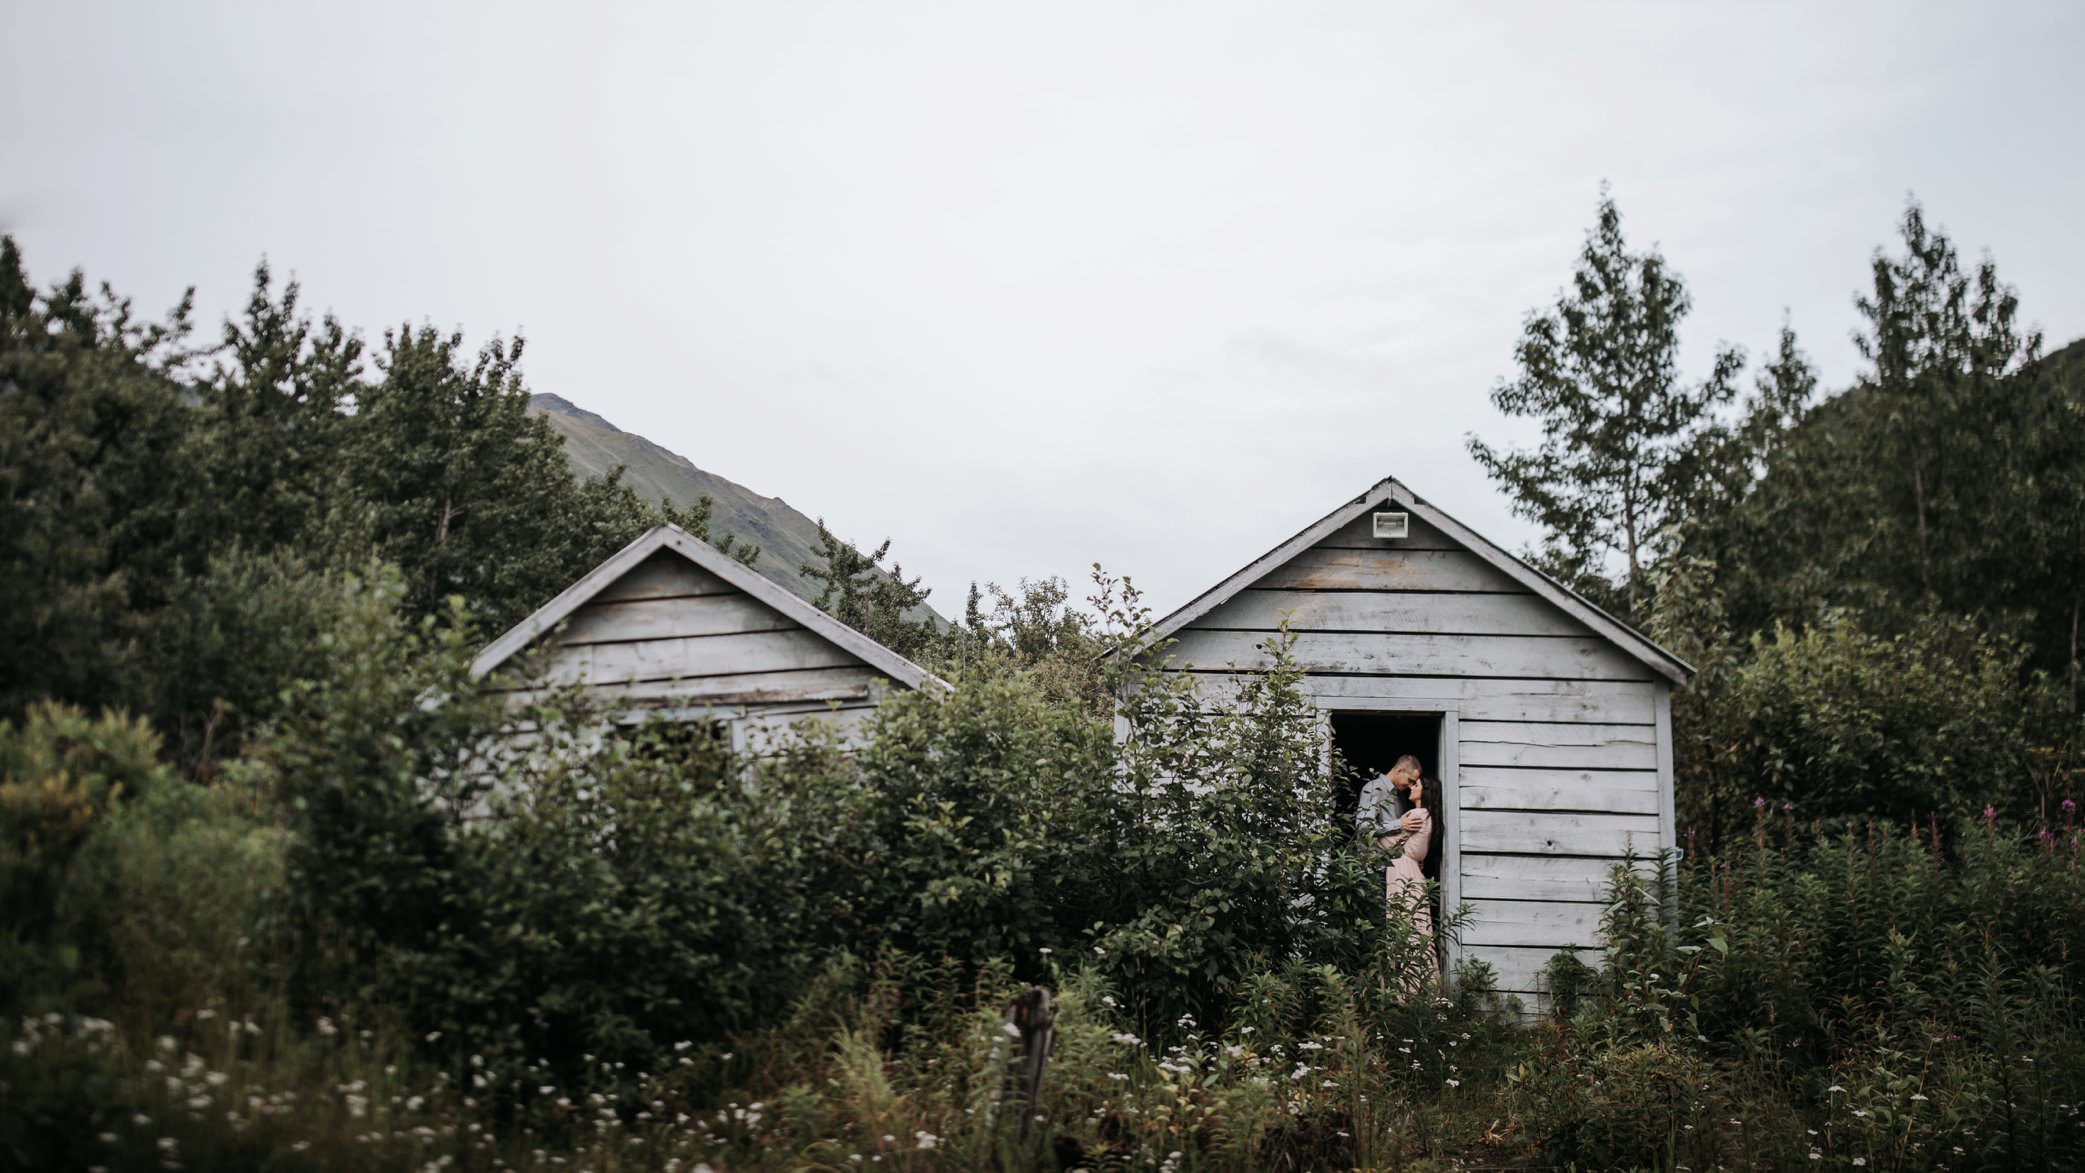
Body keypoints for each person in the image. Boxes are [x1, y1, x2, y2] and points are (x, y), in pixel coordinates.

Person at [1355, 754, 1438, 990]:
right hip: (1374, 870)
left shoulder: (1399, 798)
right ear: (1400, 770)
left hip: (1392, 871)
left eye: (1414, 783)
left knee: (1393, 932)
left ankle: (1393, 989)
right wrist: (1397, 825)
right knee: (1378, 933)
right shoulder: (1374, 789)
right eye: (1410, 780)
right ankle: (1373, 990)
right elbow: (1363, 827)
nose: (1410, 785)